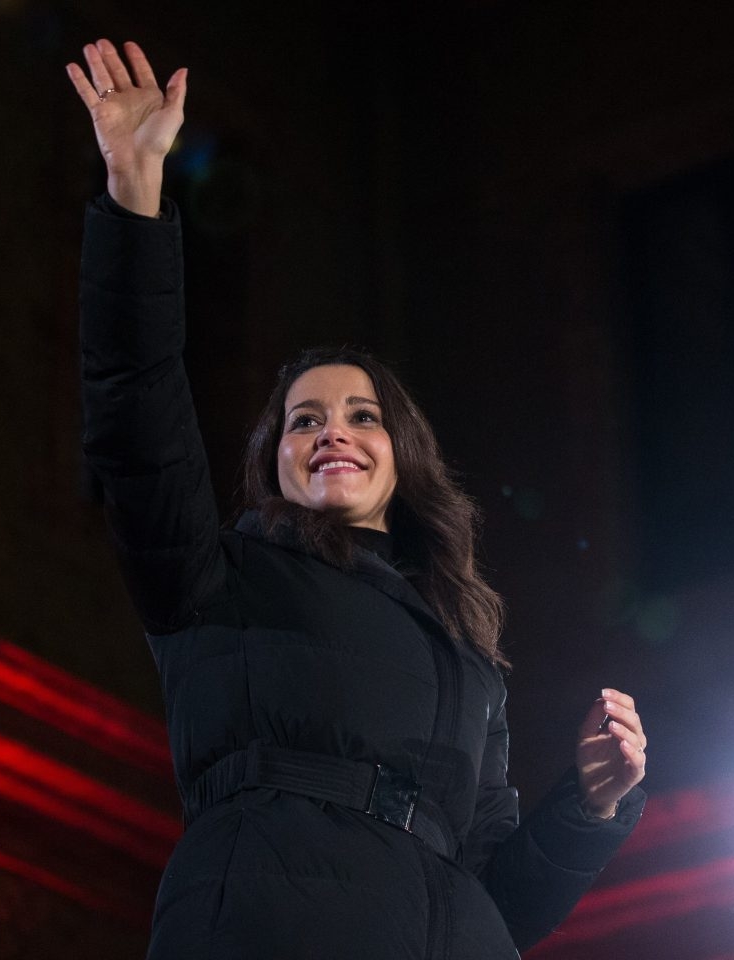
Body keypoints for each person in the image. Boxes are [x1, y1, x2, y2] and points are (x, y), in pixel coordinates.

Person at [66, 39, 648, 959]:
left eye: (361, 415)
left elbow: (502, 897)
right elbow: (136, 406)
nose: (333, 431)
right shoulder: (219, 576)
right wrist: (135, 186)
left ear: (399, 454)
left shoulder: (468, 656)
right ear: (275, 464)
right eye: (304, 421)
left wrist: (592, 804)